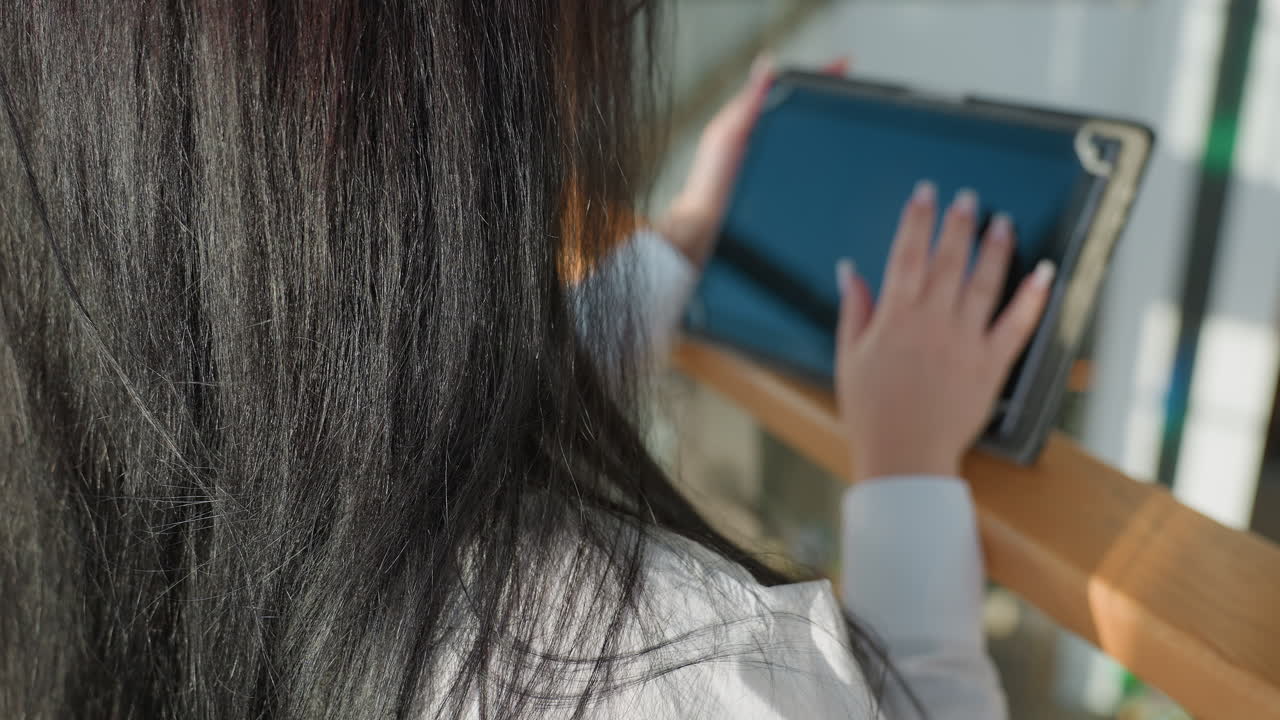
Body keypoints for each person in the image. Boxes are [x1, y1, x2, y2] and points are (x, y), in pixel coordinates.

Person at [0, 3, 1051, 719]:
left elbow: (407, 409)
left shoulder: (75, 482)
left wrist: (681, 240)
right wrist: (907, 467)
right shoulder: (686, 677)